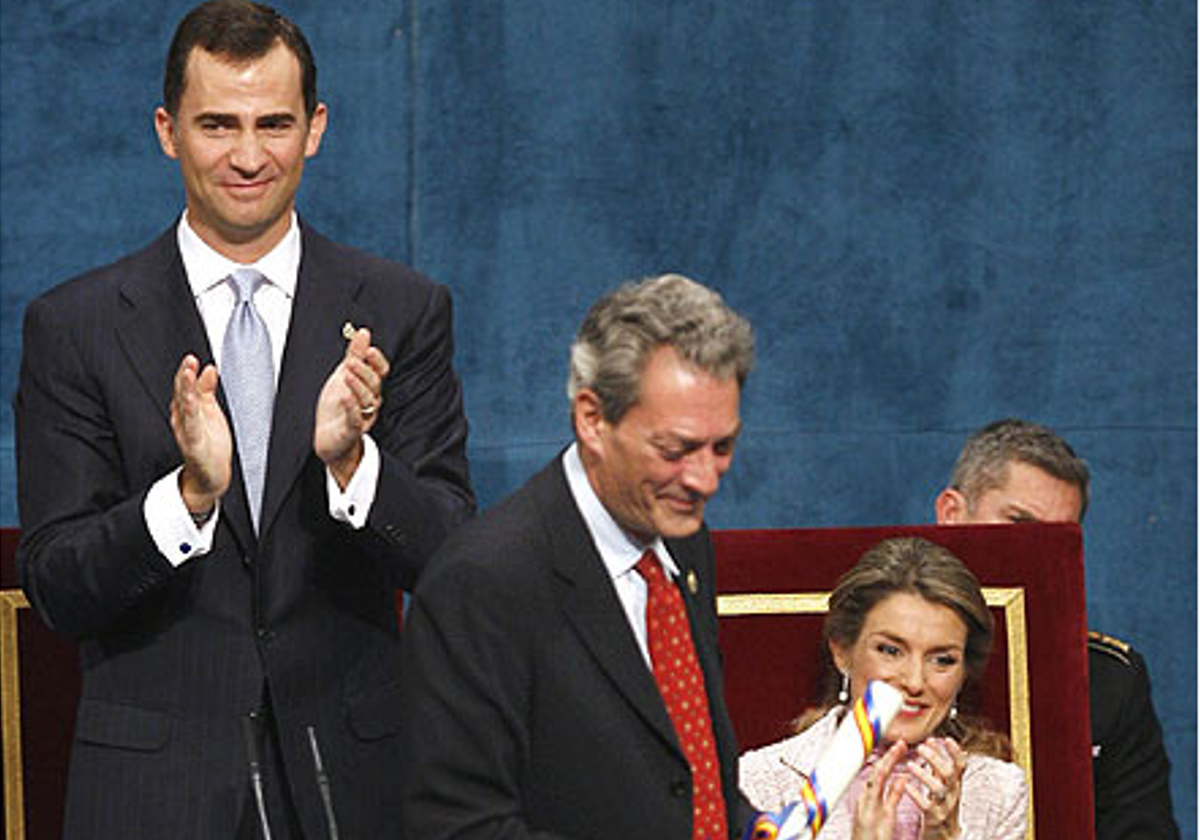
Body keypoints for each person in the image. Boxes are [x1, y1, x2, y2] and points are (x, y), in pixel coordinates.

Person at [13, 2, 474, 837]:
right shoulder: (74, 327)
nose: (250, 156)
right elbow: (56, 586)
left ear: (316, 128)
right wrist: (187, 496)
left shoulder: (403, 311)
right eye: (218, 124)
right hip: (153, 795)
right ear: (167, 130)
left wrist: (352, 468)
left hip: (355, 788)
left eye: (275, 124)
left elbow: (453, 558)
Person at [397, 274, 755, 839]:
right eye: (675, 449)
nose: (705, 478)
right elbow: (460, 828)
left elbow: (691, 778)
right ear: (593, 419)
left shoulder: (684, 543)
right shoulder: (483, 582)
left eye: (723, 446)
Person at [935, 418, 1180, 840]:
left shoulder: (1106, 681)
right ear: (952, 514)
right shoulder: (871, 659)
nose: (1038, 551)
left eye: (1058, 537)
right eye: (1019, 524)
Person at [740, 537, 1028, 840]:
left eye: (942, 660)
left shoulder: (998, 791)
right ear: (842, 652)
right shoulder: (761, 782)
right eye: (891, 651)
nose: (915, 682)